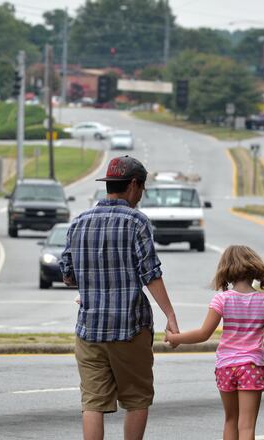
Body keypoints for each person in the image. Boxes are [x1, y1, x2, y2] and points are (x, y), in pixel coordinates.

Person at [60, 155, 180, 440]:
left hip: (89, 330)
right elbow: (150, 273)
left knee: (93, 402)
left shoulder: (79, 222)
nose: (141, 195)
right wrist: (170, 315)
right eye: (142, 189)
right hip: (129, 329)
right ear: (134, 185)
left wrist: (91, 284)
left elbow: (67, 274)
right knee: (137, 398)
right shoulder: (137, 222)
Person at [166, 245, 264, 440]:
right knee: (246, 426)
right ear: (254, 268)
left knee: (230, 420)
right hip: (251, 366)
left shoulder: (222, 300)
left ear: (226, 270)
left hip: (226, 367)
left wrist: (175, 338)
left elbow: (204, 333)